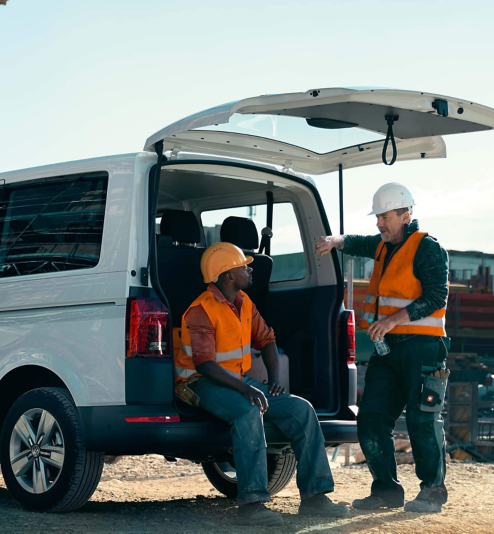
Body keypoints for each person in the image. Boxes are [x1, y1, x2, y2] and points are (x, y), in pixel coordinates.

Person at [175, 242, 349, 526]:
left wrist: (275, 380)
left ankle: (315, 497)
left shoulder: (244, 302)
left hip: (237, 381)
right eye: (244, 266)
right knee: (247, 409)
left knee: (301, 409)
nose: (250, 269)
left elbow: (267, 339)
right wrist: (246, 388)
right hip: (198, 383)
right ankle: (252, 503)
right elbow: (204, 364)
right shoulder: (201, 310)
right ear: (228, 275)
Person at [315, 182, 450, 514]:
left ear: (406, 215)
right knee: (371, 417)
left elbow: (436, 296)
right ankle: (386, 492)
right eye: (377, 217)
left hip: (423, 349)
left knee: (422, 420)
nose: (379, 223)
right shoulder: (383, 245)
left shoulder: (428, 248)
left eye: (386, 217)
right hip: (388, 350)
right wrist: (335, 241)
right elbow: (360, 242)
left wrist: (393, 320)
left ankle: (432, 491)